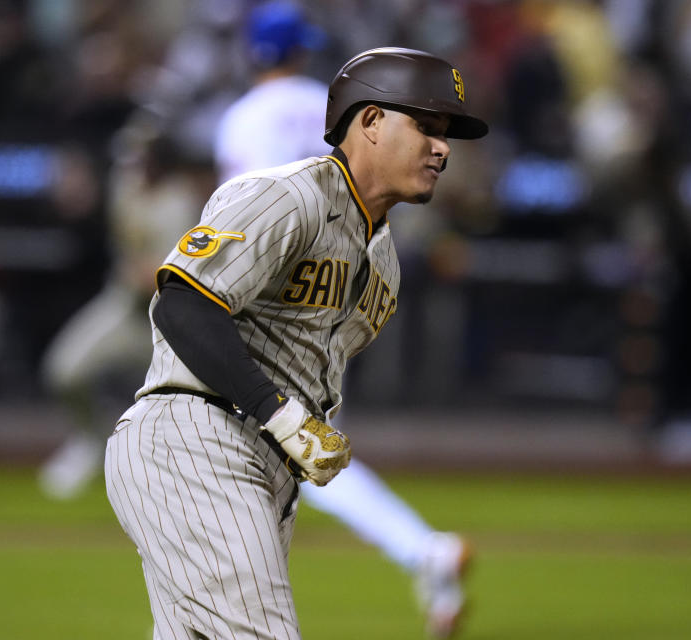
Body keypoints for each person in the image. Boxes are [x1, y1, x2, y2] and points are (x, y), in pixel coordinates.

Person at [104, 46, 488, 640]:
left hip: (262, 471)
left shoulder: (382, 258)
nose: (441, 148)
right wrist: (276, 412)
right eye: (426, 126)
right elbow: (182, 303)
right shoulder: (288, 194)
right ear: (370, 122)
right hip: (194, 443)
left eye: (447, 134)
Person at [214, 4, 473, 637]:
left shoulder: (245, 116)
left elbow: (246, 211)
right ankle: (424, 552)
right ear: (298, 52)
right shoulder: (343, 106)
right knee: (298, 452)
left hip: (267, 295)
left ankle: (424, 550)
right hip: (340, 284)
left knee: (244, 456)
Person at [37, 126, 209, 498]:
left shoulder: (179, 203)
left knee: (189, 408)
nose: (135, 165)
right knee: (65, 371)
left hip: (170, 322)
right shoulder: (124, 185)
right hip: (123, 307)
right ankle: (93, 442)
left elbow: (171, 276)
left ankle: (184, 477)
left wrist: (144, 272)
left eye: (143, 158)